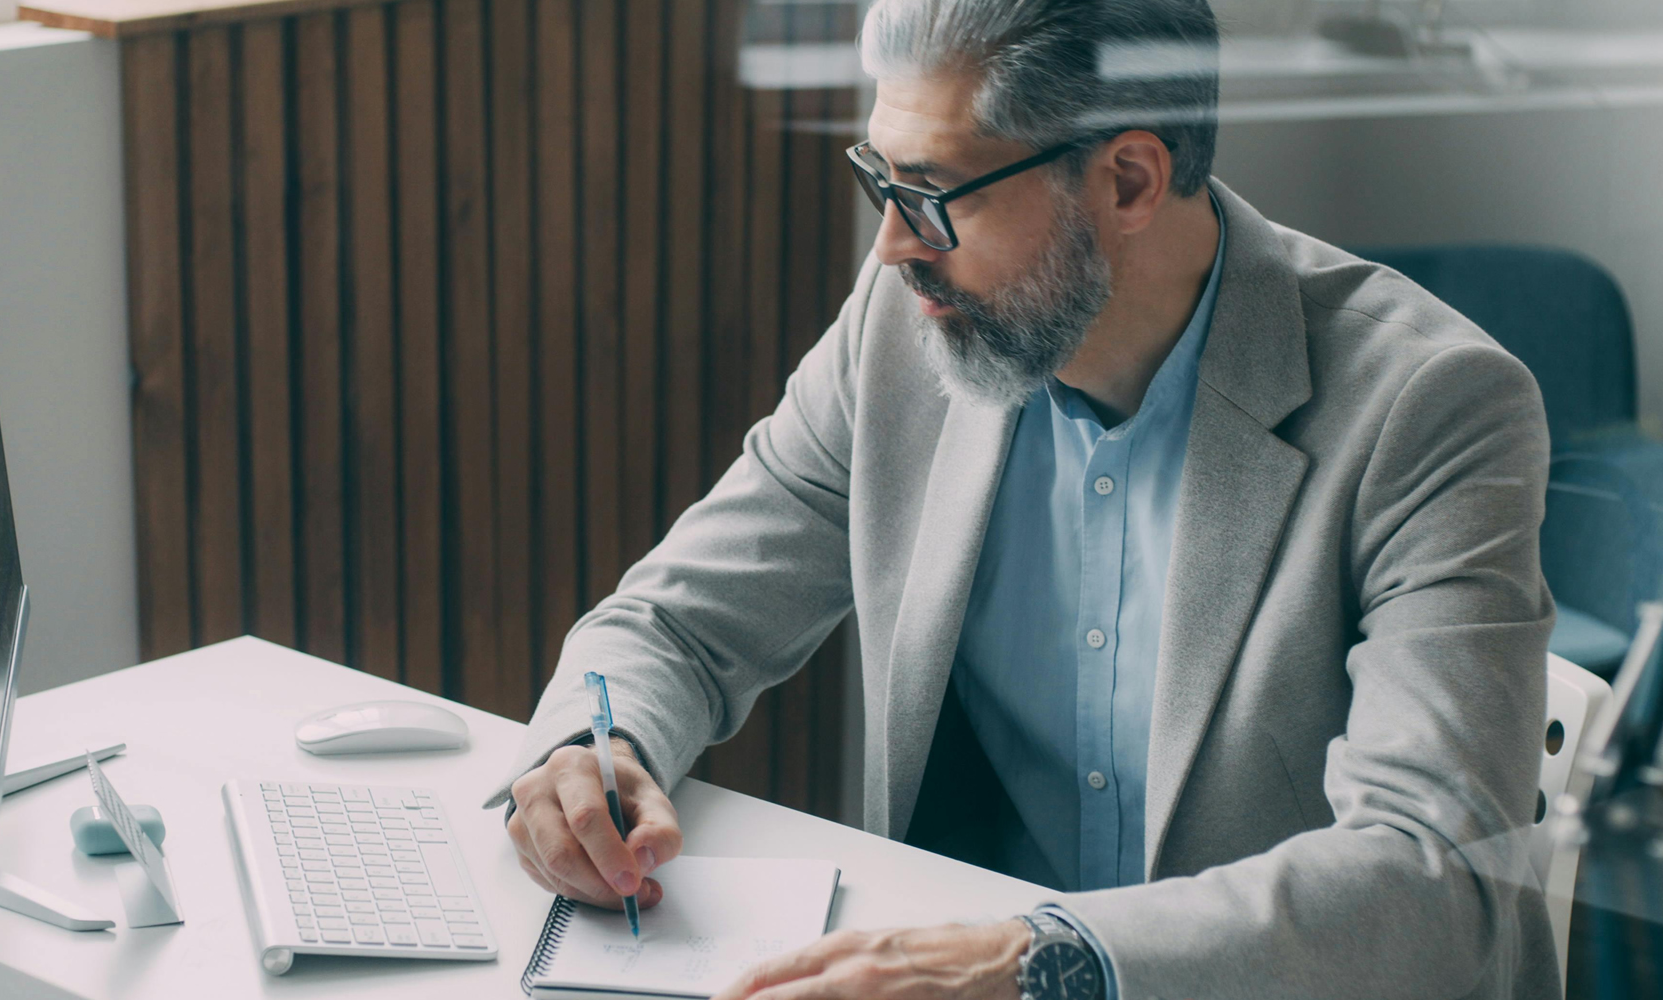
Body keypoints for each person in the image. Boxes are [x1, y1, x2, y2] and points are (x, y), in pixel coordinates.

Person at [489, 1, 1558, 997]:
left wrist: (1044, 963)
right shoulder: (904, 329)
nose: (892, 247)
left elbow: (1434, 875)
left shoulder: (1431, 406)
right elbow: (679, 619)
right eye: (882, 182)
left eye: (932, 195)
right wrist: (590, 748)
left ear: (1131, 180)